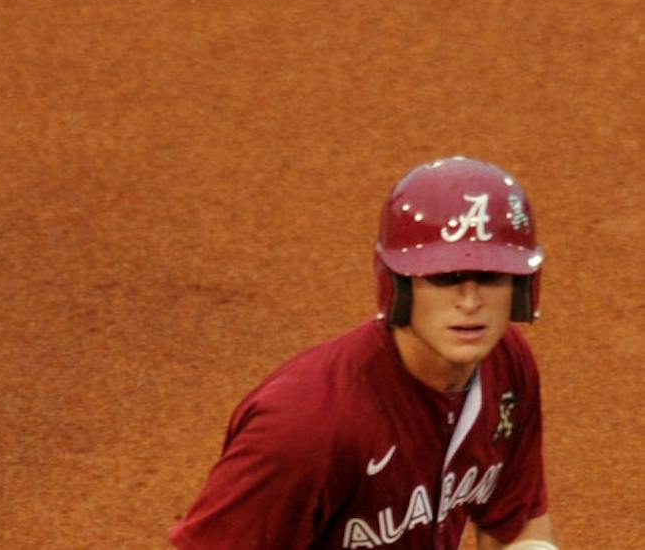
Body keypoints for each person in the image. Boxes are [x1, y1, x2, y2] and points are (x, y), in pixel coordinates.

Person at [170, 157, 560, 550]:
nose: (471, 301)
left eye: (491, 277)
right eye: (446, 278)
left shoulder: (506, 364)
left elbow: (519, 525)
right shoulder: (310, 425)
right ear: (398, 286)